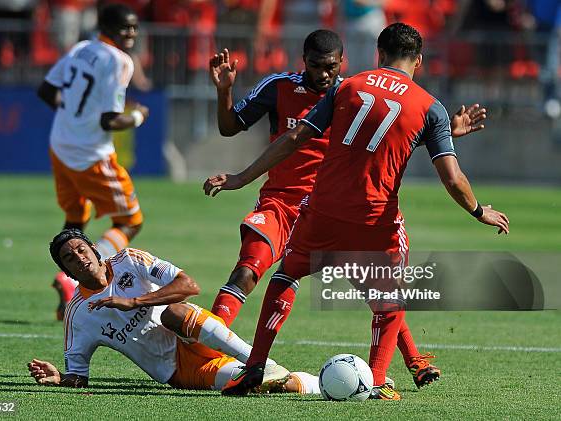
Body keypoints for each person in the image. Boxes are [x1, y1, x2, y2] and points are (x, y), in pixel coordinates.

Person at [204, 22, 509, 399]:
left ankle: (254, 367)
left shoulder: (348, 87)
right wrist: (479, 211)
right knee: (390, 296)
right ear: (420, 61)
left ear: (378, 54)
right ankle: (378, 381)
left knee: (285, 276)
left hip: (321, 209)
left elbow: (296, 136)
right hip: (373, 218)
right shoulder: (430, 106)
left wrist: (241, 178)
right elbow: (451, 178)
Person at [28, 229, 320, 394]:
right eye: (69, 258)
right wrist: (60, 378)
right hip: (179, 369)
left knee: (172, 314)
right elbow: (78, 376)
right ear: (64, 270)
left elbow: (189, 286)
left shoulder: (130, 259)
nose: (78, 258)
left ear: (94, 248)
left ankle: (256, 360)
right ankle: (325, 384)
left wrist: (135, 302)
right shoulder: (78, 314)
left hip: (193, 331)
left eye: (80, 249)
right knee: (277, 386)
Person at [37, 3, 150, 321]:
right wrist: (138, 116)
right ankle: (71, 279)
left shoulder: (81, 48)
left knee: (76, 217)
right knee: (130, 221)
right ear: (108, 28)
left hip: (60, 145)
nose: (131, 34)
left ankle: (66, 276)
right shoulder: (119, 61)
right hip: (91, 154)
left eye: (134, 28)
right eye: (125, 27)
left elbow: (46, 91)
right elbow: (109, 120)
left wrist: (73, 113)